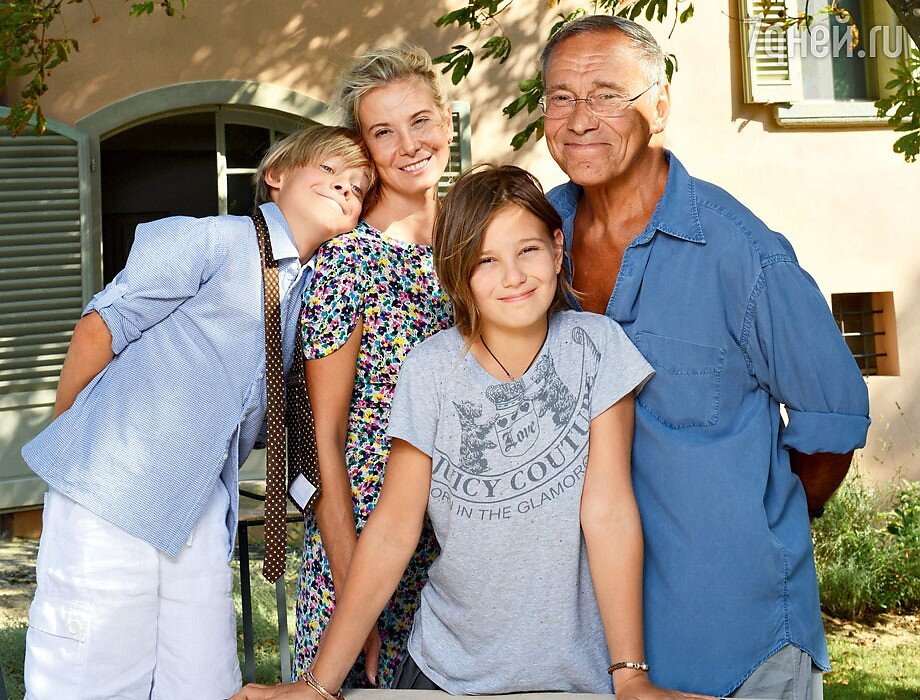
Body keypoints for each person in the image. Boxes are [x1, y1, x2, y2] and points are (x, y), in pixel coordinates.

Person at [234, 165, 718, 700]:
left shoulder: (596, 347)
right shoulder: (430, 369)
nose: (513, 276)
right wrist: (318, 685)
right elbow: (393, 530)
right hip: (444, 674)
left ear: (558, 248)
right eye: (486, 260)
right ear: (457, 273)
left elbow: (609, 512)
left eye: (528, 250)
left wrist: (630, 675)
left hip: (575, 676)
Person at [539, 15, 871, 699]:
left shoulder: (745, 253)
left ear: (659, 105)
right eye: (561, 97)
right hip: (581, 647)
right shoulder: (535, 241)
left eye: (606, 95)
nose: (579, 118)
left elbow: (832, 425)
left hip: (734, 640)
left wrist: (747, 536)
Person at [20, 125, 373, 699]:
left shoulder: (315, 292)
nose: (343, 188)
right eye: (329, 171)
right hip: (113, 486)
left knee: (205, 683)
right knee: (92, 677)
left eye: (357, 188)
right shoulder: (211, 239)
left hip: (201, 504)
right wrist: (71, 447)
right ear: (276, 175)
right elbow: (99, 329)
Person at [292, 45, 454, 688]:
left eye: (420, 121)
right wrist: (355, 596)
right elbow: (324, 440)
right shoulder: (348, 262)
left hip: (463, 559)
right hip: (364, 550)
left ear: (447, 121)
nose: (409, 145)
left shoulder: (478, 250)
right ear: (364, 148)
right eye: (383, 132)